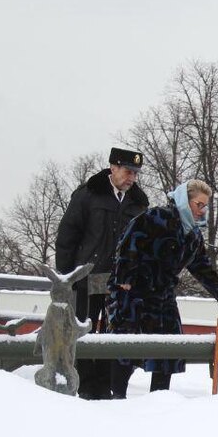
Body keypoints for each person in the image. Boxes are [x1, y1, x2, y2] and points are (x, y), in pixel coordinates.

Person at [107, 179, 218, 398]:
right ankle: (116, 398)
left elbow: (202, 268)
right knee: (126, 348)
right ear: (184, 202)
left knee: (169, 347)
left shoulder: (193, 235)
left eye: (205, 206)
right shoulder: (155, 217)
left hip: (163, 296)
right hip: (133, 292)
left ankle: (159, 400)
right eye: (199, 204)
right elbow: (128, 242)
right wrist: (125, 278)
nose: (203, 210)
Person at [55, 147, 149, 400]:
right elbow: (67, 237)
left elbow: (142, 244)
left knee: (115, 334)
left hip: (120, 283)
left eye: (136, 174)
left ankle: (106, 385)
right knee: (84, 329)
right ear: (113, 167)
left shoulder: (139, 202)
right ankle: (86, 385)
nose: (132, 178)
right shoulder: (88, 195)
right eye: (129, 172)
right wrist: (66, 279)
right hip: (86, 278)